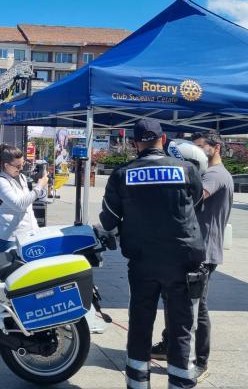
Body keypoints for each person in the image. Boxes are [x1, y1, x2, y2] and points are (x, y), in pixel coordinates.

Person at [98, 119, 205, 389]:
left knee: (141, 322)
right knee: (181, 327)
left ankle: (137, 384)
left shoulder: (123, 174)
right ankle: (180, 384)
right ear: (164, 139)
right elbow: (196, 206)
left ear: (135, 144)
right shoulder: (187, 169)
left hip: (143, 261)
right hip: (182, 261)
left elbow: (109, 221)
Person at [151, 132, 234, 382]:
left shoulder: (214, 175)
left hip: (203, 252)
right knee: (176, 299)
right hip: (191, 248)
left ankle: (200, 360)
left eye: (200, 147)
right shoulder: (208, 173)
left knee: (197, 308)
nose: (195, 152)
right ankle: (170, 345)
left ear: (215, 147)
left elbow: (193, 198)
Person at [0, 144, 48, 252]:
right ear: (6, 165)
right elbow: (19, 205)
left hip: (28, 234)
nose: (21, 168)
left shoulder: (21, 177)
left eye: (22, 164)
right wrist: (39, 186)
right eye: (18, 166)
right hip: (10, 238)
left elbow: (27, 204)